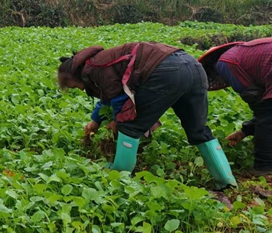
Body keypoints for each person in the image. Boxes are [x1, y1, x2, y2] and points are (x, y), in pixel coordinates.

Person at [58, 42, 237, 190]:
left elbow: (118, 99)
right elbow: (107, 95)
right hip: (194, 67)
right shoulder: (99, 62)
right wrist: (95, 121)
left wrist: (116, 121)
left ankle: (119, 178)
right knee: (198, 129)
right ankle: (226, 182)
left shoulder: (92, 69)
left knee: (129, 125)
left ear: (75, 74)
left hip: (166, 72)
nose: (79, 89)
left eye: (74, 86)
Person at [199, 38, 272, 177]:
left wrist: (248, 129)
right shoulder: (237, 56)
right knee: (267, 113)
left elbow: (265, 112)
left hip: (235, 64)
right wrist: (246, 130)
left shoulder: (228, 60)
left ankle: (264, 167)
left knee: (267, 115)